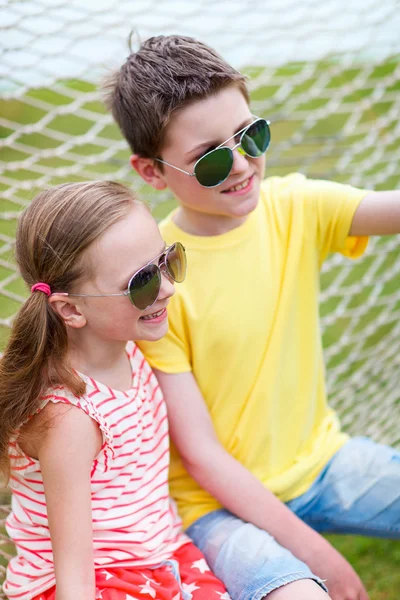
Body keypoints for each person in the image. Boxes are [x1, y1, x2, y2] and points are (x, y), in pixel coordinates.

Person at [103, 35, 400, 600]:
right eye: (211, 158)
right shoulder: (157, 277)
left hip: (323, 464)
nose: (242, 164)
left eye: (251, 136)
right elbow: (202, 455)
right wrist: (321, 557)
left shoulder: (295, 207)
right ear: (152, 172)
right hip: (216, 507)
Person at [0, 180, 230, 600]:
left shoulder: (132, 349)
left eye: (167, 261)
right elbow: (74, 575)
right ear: (70, 309)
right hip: (100, 581)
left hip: (159, 555)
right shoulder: (71, 420)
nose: (168, 288)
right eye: (141, 281)